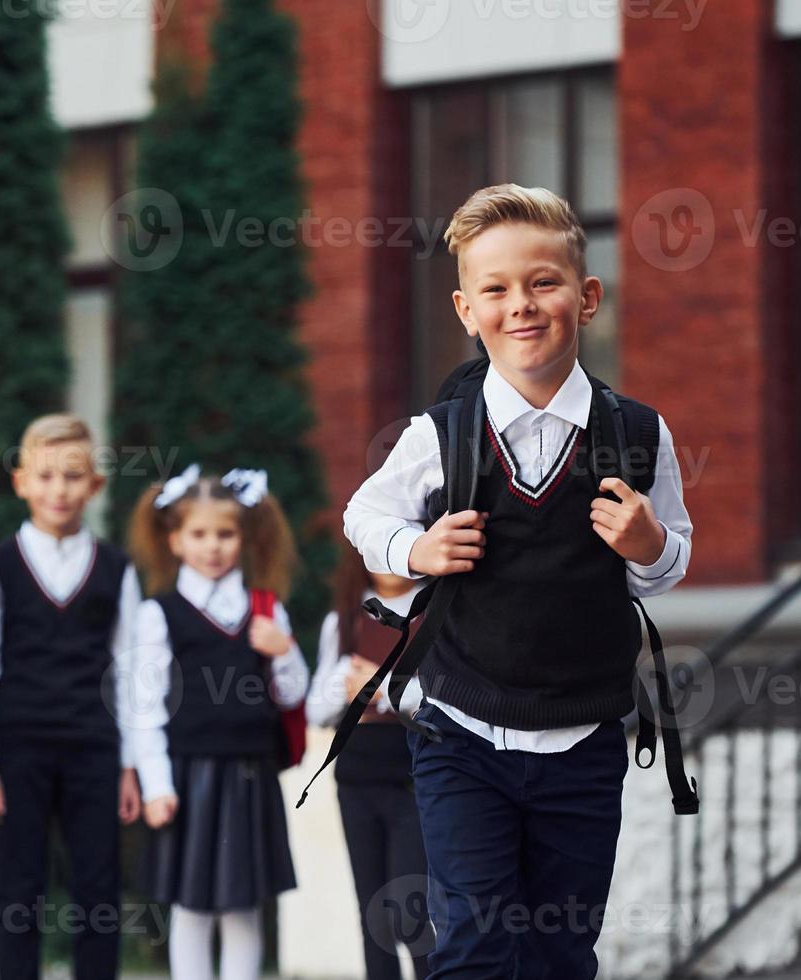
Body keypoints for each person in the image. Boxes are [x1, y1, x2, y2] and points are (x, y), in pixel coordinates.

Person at [343, 184, 696, 978]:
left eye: (543, 282)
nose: (522, 305)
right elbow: (364, 515)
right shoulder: (438, 434)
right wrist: (416, 548)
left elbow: (665, 567)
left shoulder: (640, 433)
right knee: (470, 949)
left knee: (561, 953)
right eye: (496, 289)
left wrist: (648, 545)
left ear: (587, 295)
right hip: (462, 734)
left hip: (584, 740)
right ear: (467, 311)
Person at [0, 413, 144, 980]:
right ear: (21, 482)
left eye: (73, 476)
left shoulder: (116, 569)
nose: (59, 489)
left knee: (98, 891)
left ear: (95, 486)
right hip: (18, 749)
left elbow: (130, 674)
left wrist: (130, 765)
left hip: (94, 749)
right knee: (19, 889)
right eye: (46, 476)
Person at [128, 465, 308, 980]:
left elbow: (293, 694)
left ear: (243, 538)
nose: (213, 547)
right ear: (175, 540)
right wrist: (156, 785)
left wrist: (285, 649)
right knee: (191, 907)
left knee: (244, 907)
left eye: (225, 534)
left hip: (249, 775)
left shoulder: (266, 611)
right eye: (199, 534)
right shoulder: (158, 613)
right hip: (187, 778)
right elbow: (144, 710)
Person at [306, 544, 433, 980]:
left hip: (414, 777)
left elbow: (449, 701)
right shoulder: (342, 620)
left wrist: (385, 690)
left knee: (410, 911)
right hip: (357, 777)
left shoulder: (436, 612)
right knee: (372, 911)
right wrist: (346, 682)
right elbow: (316, 710)